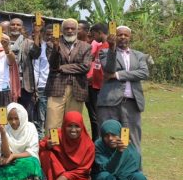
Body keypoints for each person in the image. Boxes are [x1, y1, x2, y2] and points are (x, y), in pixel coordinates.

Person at [97, 26, 148, 154]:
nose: (123, 37)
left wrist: (117, 75)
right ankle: (105, 170)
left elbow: (143, 73)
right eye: (120, 35)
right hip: (110, 103)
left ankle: (134, 170)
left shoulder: (139, 55)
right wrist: (112, 48)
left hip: (132, 104)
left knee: (132, 139)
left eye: (126, 35)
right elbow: (109, 69)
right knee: (108, 138)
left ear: (130, 37)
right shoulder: (104, 52)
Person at [38, 111, 96, 180]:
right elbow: (38, 147)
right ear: (64, 126)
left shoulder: (88, 145)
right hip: (56, 175)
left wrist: (66, 176)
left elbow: (85, 169)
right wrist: (47, 145)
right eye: (70, 126)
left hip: (75, 176)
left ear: (82, 126)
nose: (73, 130)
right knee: (45, 154)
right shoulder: (58, 135)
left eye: (77, 126)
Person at [45, 18, 92, 131]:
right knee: (53, 124)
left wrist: (62, 68)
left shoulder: (86, 46)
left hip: (77, 89)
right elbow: (53, 65)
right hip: (57, 87)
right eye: (67, 28)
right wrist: (56, 48)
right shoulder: (52, 44)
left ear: (77, 30)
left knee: (72, 124)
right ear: (62, 30)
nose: (70, 31)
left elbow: (85, 67)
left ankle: (69, 148)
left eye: (72, 28)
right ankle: (54, 148)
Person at [0, 103, 45, 180]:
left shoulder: (30, 128)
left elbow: (32, 151)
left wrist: (14, 156)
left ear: (22, 117)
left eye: (16, 118)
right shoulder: (4, 128)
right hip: (9, 159)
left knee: (31, 164)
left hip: (26, 158)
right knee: (2, 164)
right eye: (10, 118)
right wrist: (3, 133)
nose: (13, 122)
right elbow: (6, 154)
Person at [86, 23, 109, 140]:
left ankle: (99, 141)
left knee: (99, 117)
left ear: (100, 32)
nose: (93, 37)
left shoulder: (109, 47)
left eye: (94, 34)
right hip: (94, 85)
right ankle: (95, 140)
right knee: (94, 116)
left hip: (102, 87)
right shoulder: (100, 46)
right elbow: (96, 65)